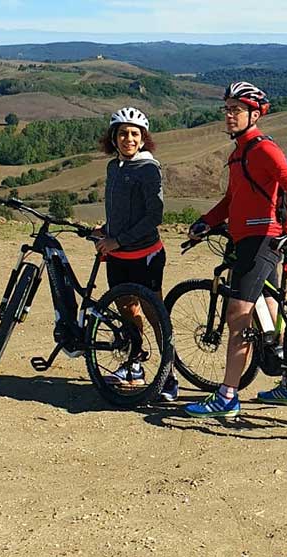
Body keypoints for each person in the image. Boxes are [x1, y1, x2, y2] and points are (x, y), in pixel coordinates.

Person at [184, 82, 287, 418]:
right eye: (227, 109)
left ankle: (227, 396)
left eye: (236, 110)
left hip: (260, 240)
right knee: (267, 308)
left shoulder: (263, 149)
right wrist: (205, 223)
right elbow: (231, 201)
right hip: (250, 240)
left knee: (237, 315)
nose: (229, 115)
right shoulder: (238, 153)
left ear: (255, 114)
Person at [92, 106, 178, 401]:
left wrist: (118, 240)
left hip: (145, 255)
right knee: (127, 310)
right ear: (113, 138)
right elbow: (124, 210)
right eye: (123, 134)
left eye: (134, 134)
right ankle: (135, 365)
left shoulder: (148, 168)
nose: (128, 139)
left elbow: (154, 216)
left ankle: (169, 378)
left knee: (155, 314)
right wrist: (107, 230)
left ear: (143, 139)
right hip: (118, 256)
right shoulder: (113, 167)